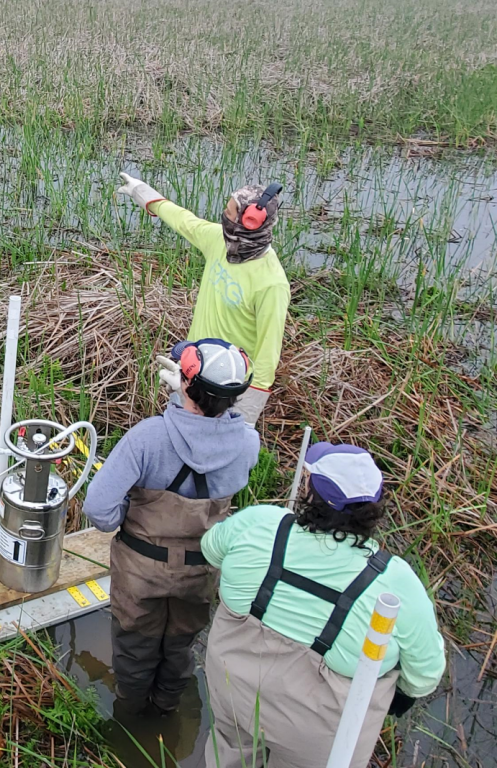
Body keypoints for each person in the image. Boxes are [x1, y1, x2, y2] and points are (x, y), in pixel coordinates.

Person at [200, 443, 446, 768]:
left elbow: (210, 549)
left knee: (228, 752)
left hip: (234, 695)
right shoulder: (396, 583)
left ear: (310, 493)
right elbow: (425, 676)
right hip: (320, 738)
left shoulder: (260, 523)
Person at [82, 339, 260, 719]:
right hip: (201, 569)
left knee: (135, 649)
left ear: (185, 384)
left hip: (141, 573)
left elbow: (98, 509)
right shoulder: (248, 443)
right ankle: (166, 713)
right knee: (180, 646)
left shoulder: (149, 437)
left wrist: (130, 512)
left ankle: (130, 721)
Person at [116, 174, 291, 427]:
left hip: (225, 391)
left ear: (250, 222)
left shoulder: (271, 284)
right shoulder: (219, 242)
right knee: (175, 434)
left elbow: (267, 357)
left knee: (212, 452)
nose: (223, 217)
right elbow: (185, 221)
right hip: (191, 370)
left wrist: (245, 418)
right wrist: (144, 194)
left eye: (229, 213)